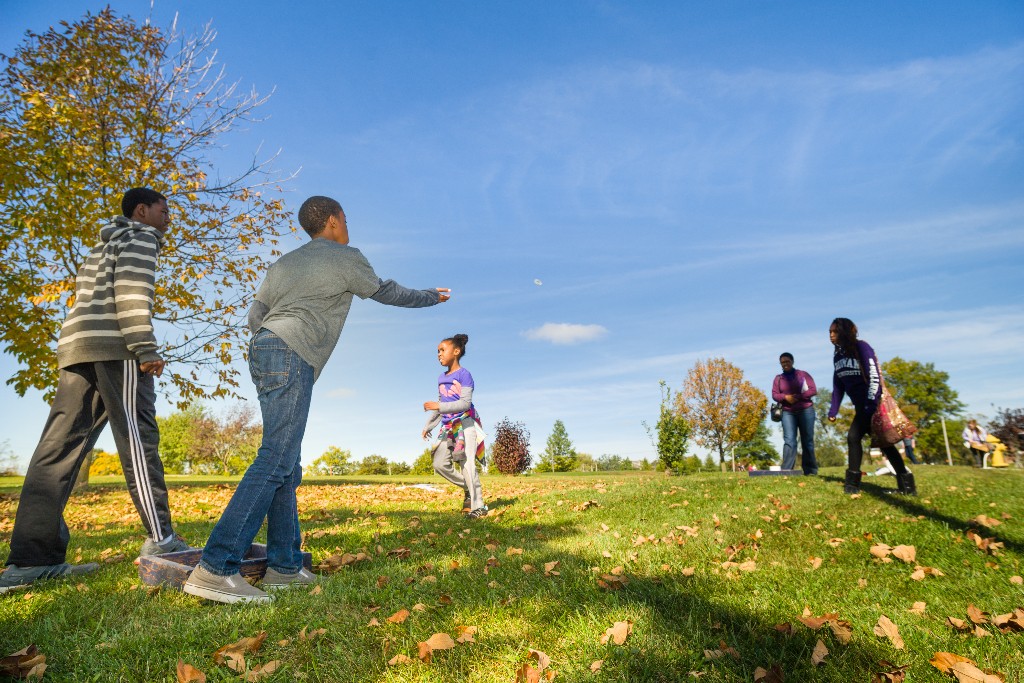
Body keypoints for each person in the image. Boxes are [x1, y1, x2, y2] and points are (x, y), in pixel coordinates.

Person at [182, 195, 449, 604]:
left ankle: (284, 567)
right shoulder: (345, 257)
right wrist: (431, 296)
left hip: (265, 349)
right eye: (346, 218)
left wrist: (272, 337)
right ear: (333, 221)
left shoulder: (283, 264)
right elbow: (387, 292)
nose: (348, 225)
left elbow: (256, 316)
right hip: (293, 352)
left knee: (286, 460)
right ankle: (216, 567)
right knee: (275, 458)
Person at [1, 188, 190, 594]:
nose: (168, 218)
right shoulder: (141, 237)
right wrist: (144, 346)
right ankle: (163, 540)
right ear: (142, 211)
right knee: (138, 439)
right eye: (164, 210)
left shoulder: (101, 246)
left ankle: (30, 562)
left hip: (76, 348)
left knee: (57, 450)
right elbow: (132, 292)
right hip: (114, 348)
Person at [827, 318, 915, 495]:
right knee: (885, 445)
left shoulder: (862, 347)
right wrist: (833, 409)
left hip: (873, 404)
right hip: (861, 406)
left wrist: (870, 403)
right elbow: (838, 385)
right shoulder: (838, 356)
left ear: (845, 331)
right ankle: (907, 486)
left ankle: (852, 485)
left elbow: (874, 376)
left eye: (834, 331)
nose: (831, 335)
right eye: (829, 332)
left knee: (853, 437)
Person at [422, 333, 487, 519]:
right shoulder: (441, 377)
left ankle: (479, 506)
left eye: (442, 350)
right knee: (439, 463)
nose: (439, 354)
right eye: (437, 351)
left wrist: (439, 406)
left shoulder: (464, 374)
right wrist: (429, 426)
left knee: (467, 465)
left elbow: (465, 403)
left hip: (465, 423)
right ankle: (468, 486)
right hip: (447, 427)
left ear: (456, 351)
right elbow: (440, 406)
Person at [771, 353, 818, 474]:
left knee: (807, 440)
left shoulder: (803, 375)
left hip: (806, 410)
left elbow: (813, 390)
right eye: (782, 362)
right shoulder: (778, 378)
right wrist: (785, 397)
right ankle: (786, 470)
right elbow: (775, 394)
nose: (785, 364)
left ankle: (811, 470)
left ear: (792, 361)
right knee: (789, 440)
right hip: (787, 412)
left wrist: (797, 397)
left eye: (787, 361)